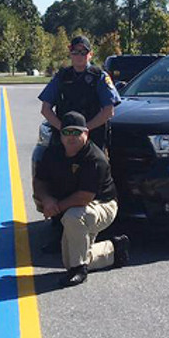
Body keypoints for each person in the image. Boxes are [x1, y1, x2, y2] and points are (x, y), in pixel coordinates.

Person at [33, 111, 130, 287]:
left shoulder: (94, 158)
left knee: (73, 218)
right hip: (73, 205)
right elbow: (39, 181)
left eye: (77, 132)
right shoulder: (53, 152)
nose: (71, 137)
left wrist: (56, 207)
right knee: (69, 258)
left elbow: (84, 197)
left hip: (102, 204)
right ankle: (114, 250)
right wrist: (47, 200)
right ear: (61, 134)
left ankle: (78, 271)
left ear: (86, 133)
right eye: (67, 132)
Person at [38, 35, 120, 151]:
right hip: (64, 142)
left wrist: (83, 130)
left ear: (90, 54)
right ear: (70, 53)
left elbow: (108, 111)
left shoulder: (99, 77)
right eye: (75, 51)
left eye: (83, 52)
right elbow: (45, 109)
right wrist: (65, 130)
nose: (79, 56)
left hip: (92, 140)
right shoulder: (61, 76)